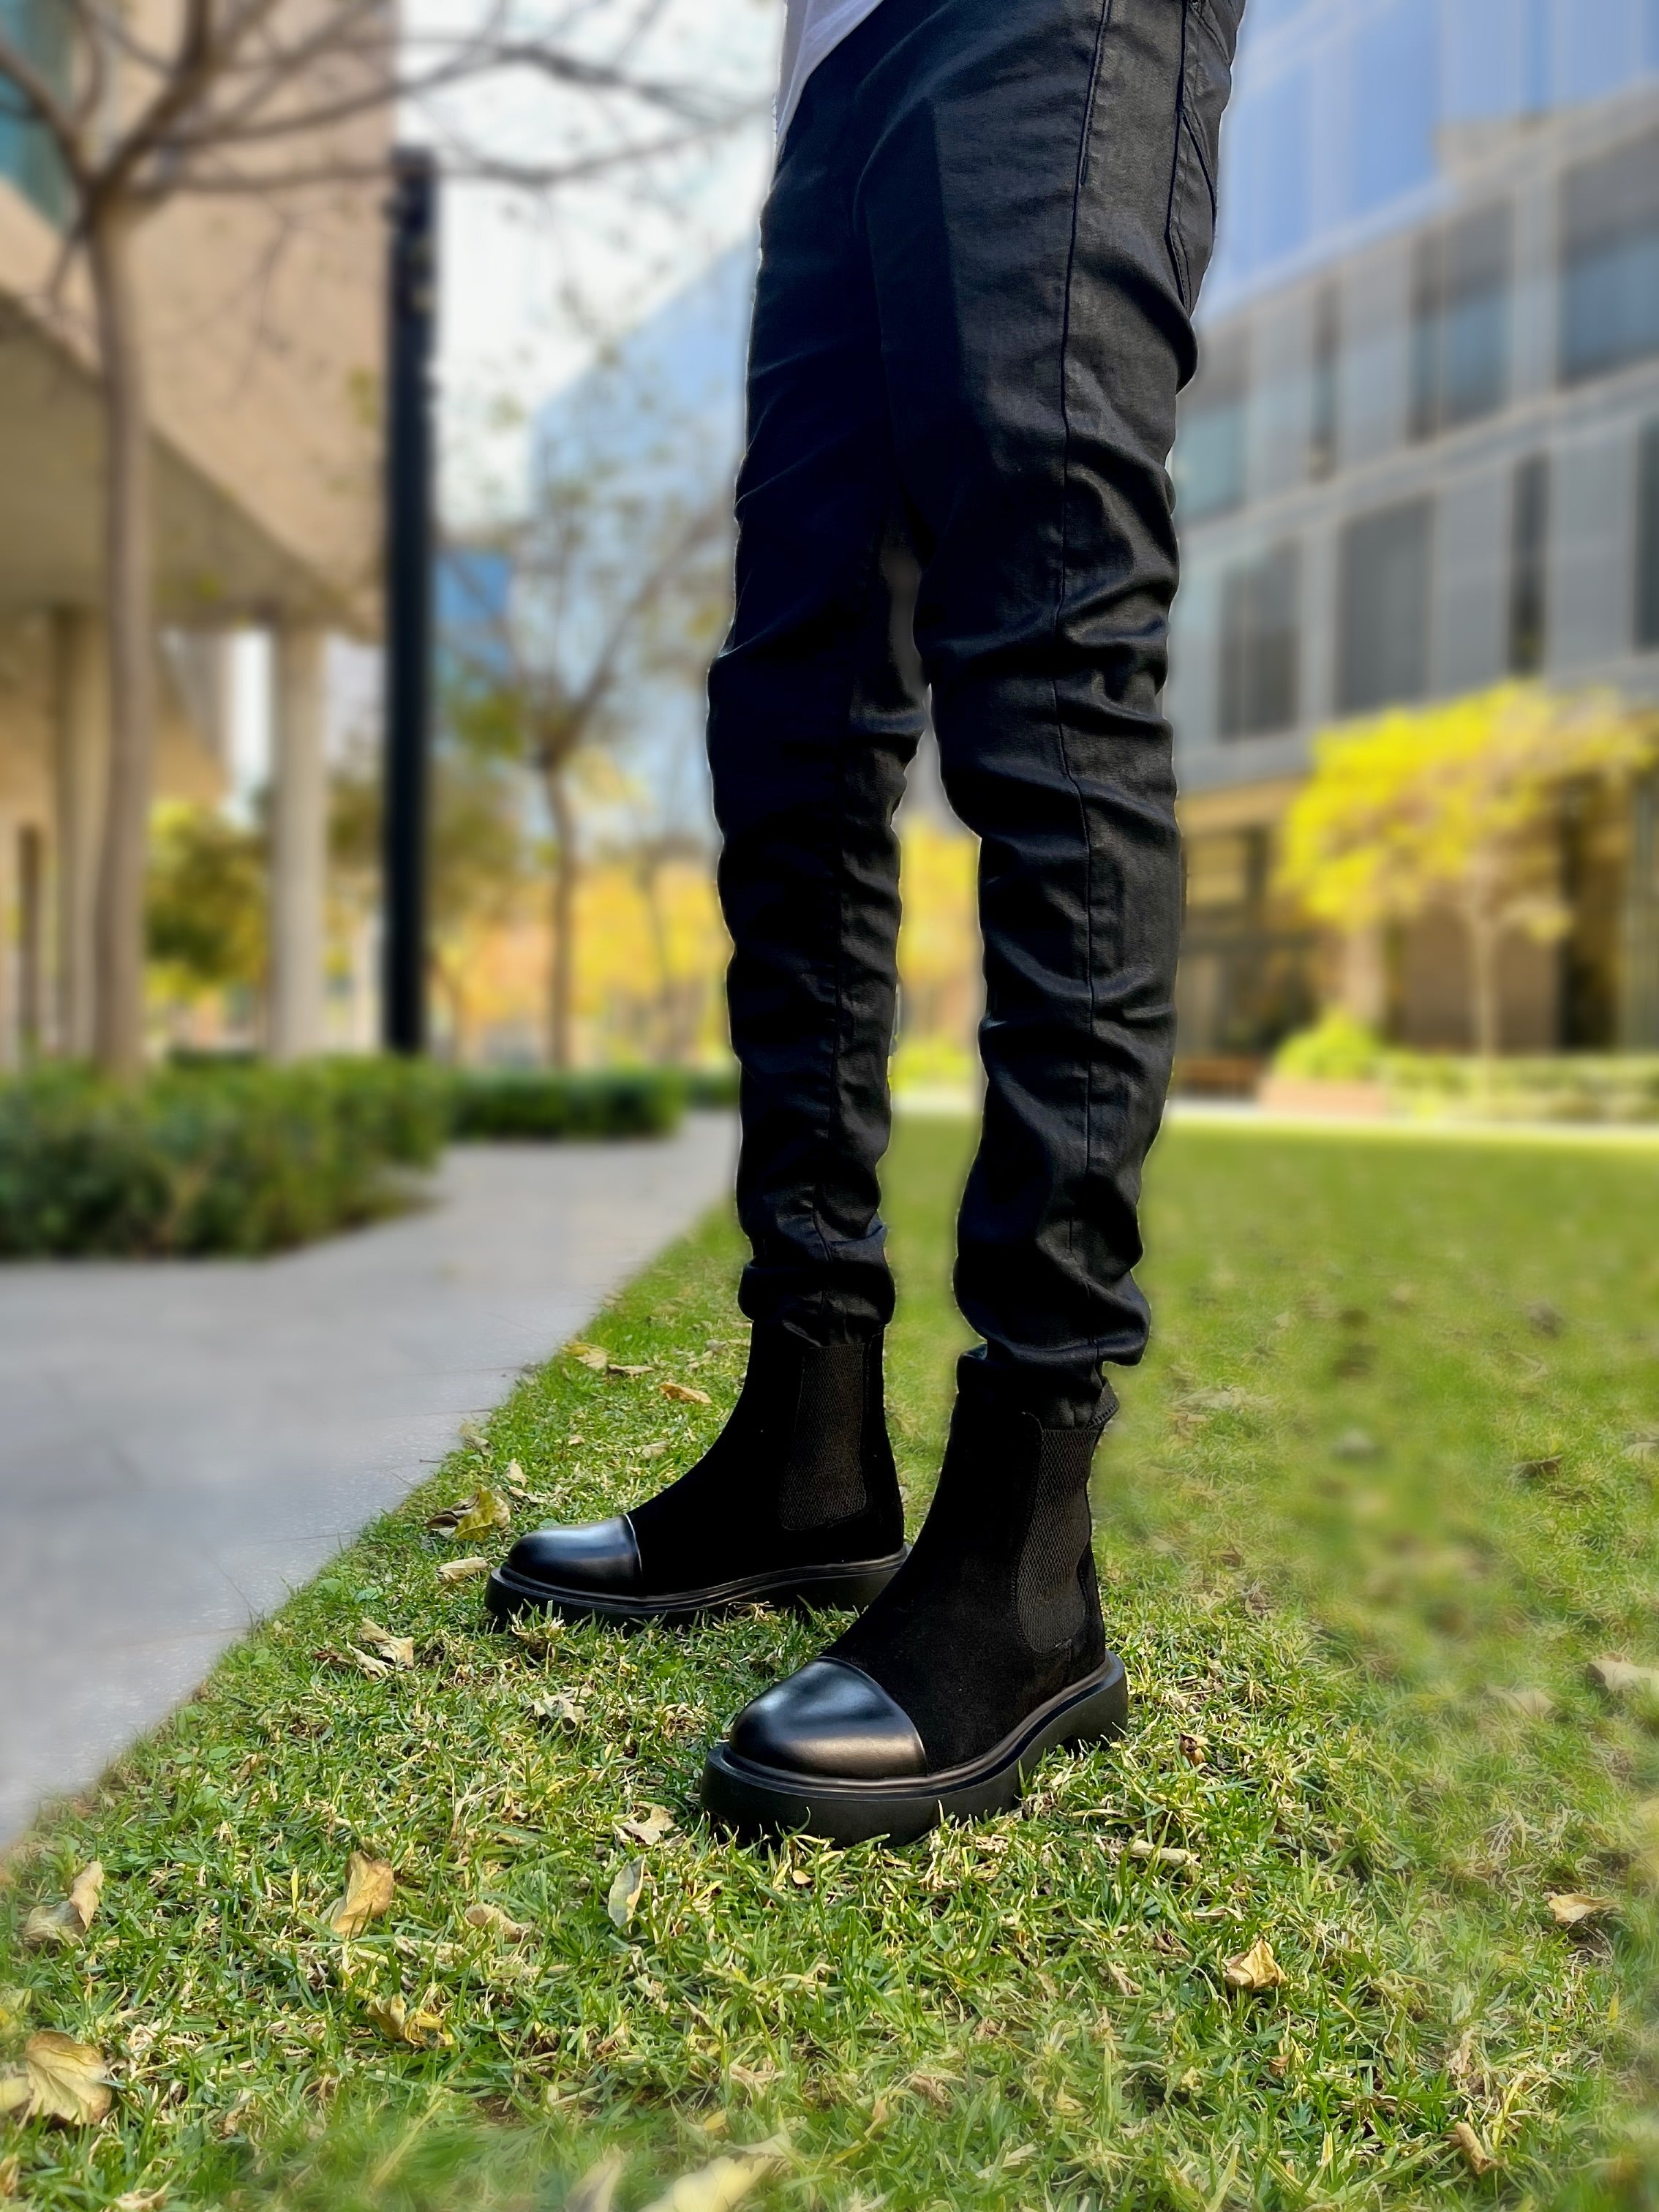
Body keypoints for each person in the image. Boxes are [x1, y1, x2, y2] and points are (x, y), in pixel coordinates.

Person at [489, 0, 1244, 1843]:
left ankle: (1031, 1546)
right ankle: (810, 1435)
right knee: (797, 717)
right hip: (836, 75)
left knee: (1049, 652)